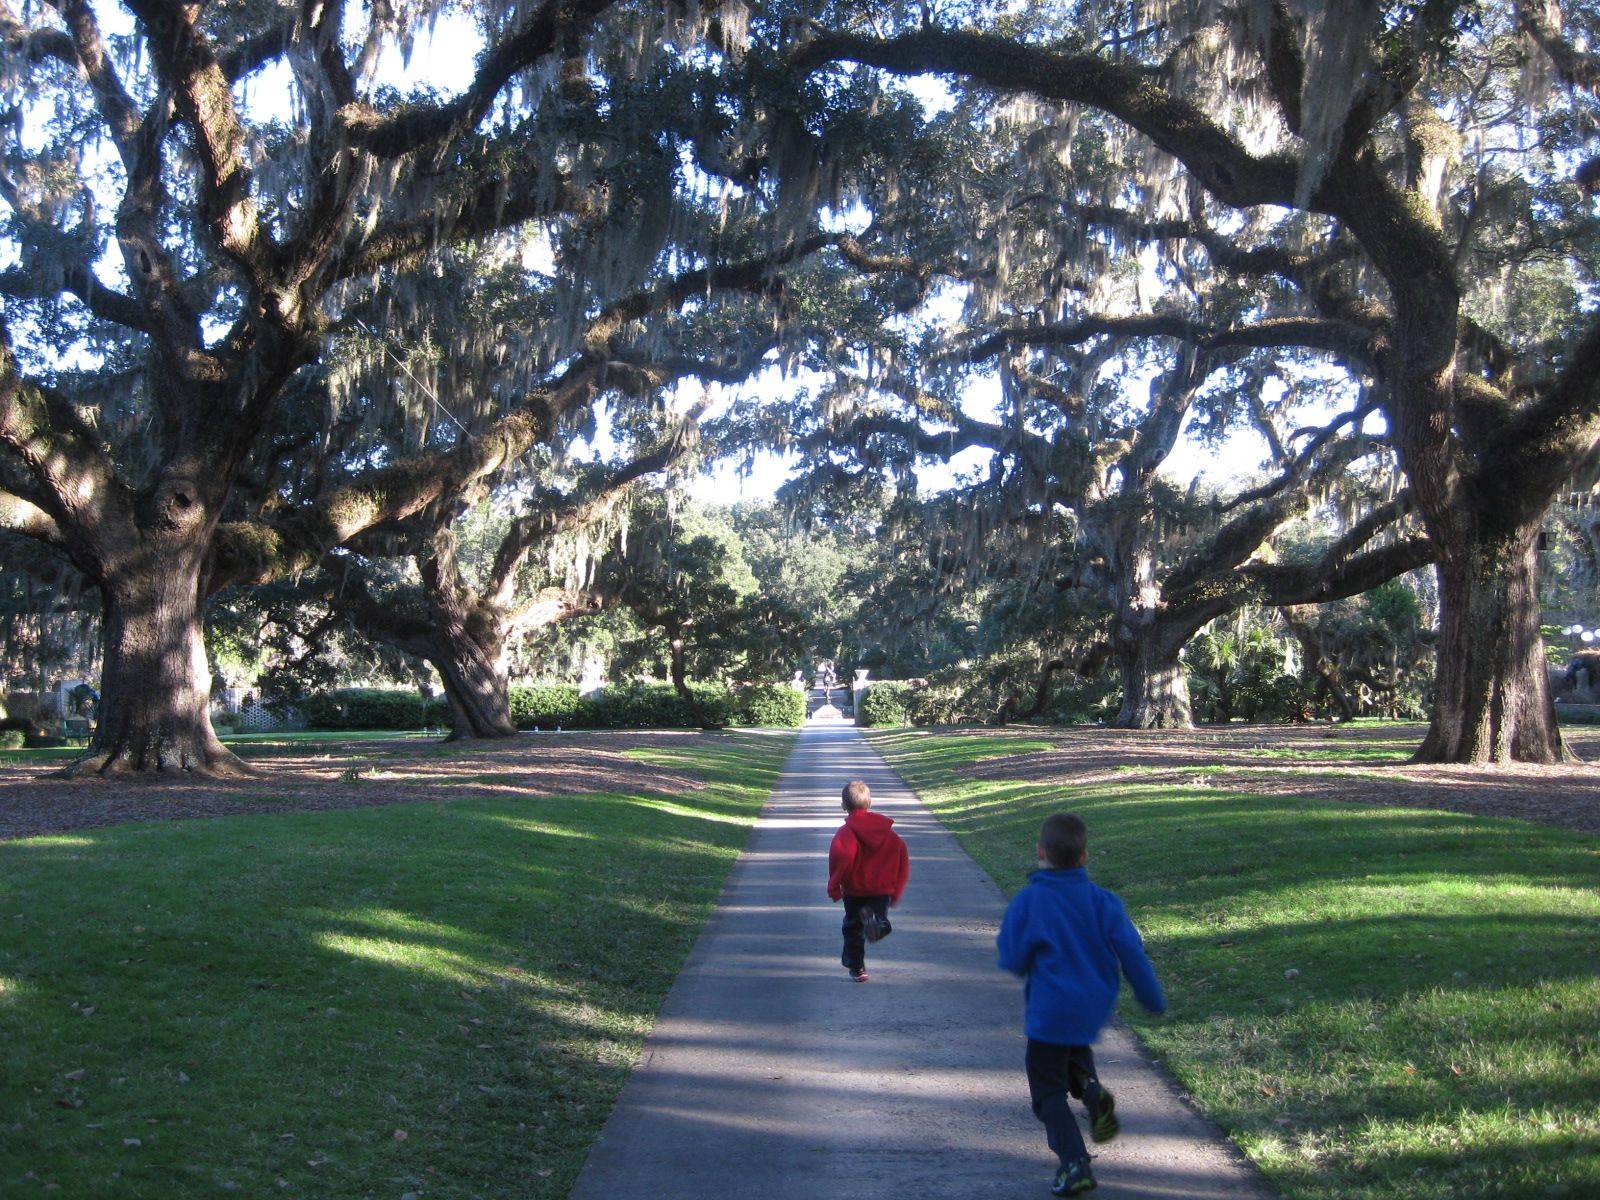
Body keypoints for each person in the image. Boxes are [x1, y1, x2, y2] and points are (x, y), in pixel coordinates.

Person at [997, 812, 1166, 1195]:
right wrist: (1150, 997)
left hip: (1049, 1009)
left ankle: (1074, 1162)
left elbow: (1011, 957)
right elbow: (1132, 952)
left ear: (1040, 852)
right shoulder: (1105, 902)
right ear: (1085, 856)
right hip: (1092, 1007)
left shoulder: (1030, 901)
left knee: (1047, 1090)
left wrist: (1024, 958)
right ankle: (1091, 1090)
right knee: (1072, 1051)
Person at [826, 780, 910, 982]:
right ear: (869, 803)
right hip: (881, 891)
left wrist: (834, 886)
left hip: (854, 891)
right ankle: (880, 924)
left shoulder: (845, 833)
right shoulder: (890, 835)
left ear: (844, 806)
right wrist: (896, 892)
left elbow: (841, 857)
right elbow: (902, 861)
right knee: (876, 918)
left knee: (853, 929)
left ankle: (857, 968)